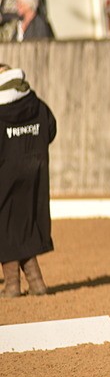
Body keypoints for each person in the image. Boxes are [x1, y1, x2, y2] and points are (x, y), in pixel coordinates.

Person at [0, 65, 57, 297]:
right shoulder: (37, 104)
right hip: (35, 171)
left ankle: (12, 285)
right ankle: (36, 282)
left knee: (4, 225)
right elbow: (51, 130)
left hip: (5, 173)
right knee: (25, 223)